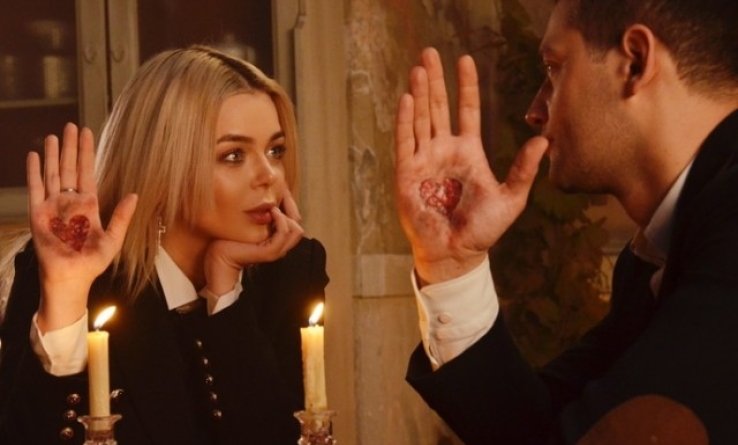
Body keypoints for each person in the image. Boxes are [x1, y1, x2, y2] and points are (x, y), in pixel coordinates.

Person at [395, 0, 738, 443]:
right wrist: (452, 266)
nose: (534, 111)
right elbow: (542, 431)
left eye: (554, 68)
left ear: (634, 62)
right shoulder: (656, 252)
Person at [0, 46, 328, 444]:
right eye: (233, 155)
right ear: (163, 163)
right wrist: (66, 301)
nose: (270, 175)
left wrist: (226, 296)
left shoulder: (292, 270)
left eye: (275, 150)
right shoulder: (67, 271)